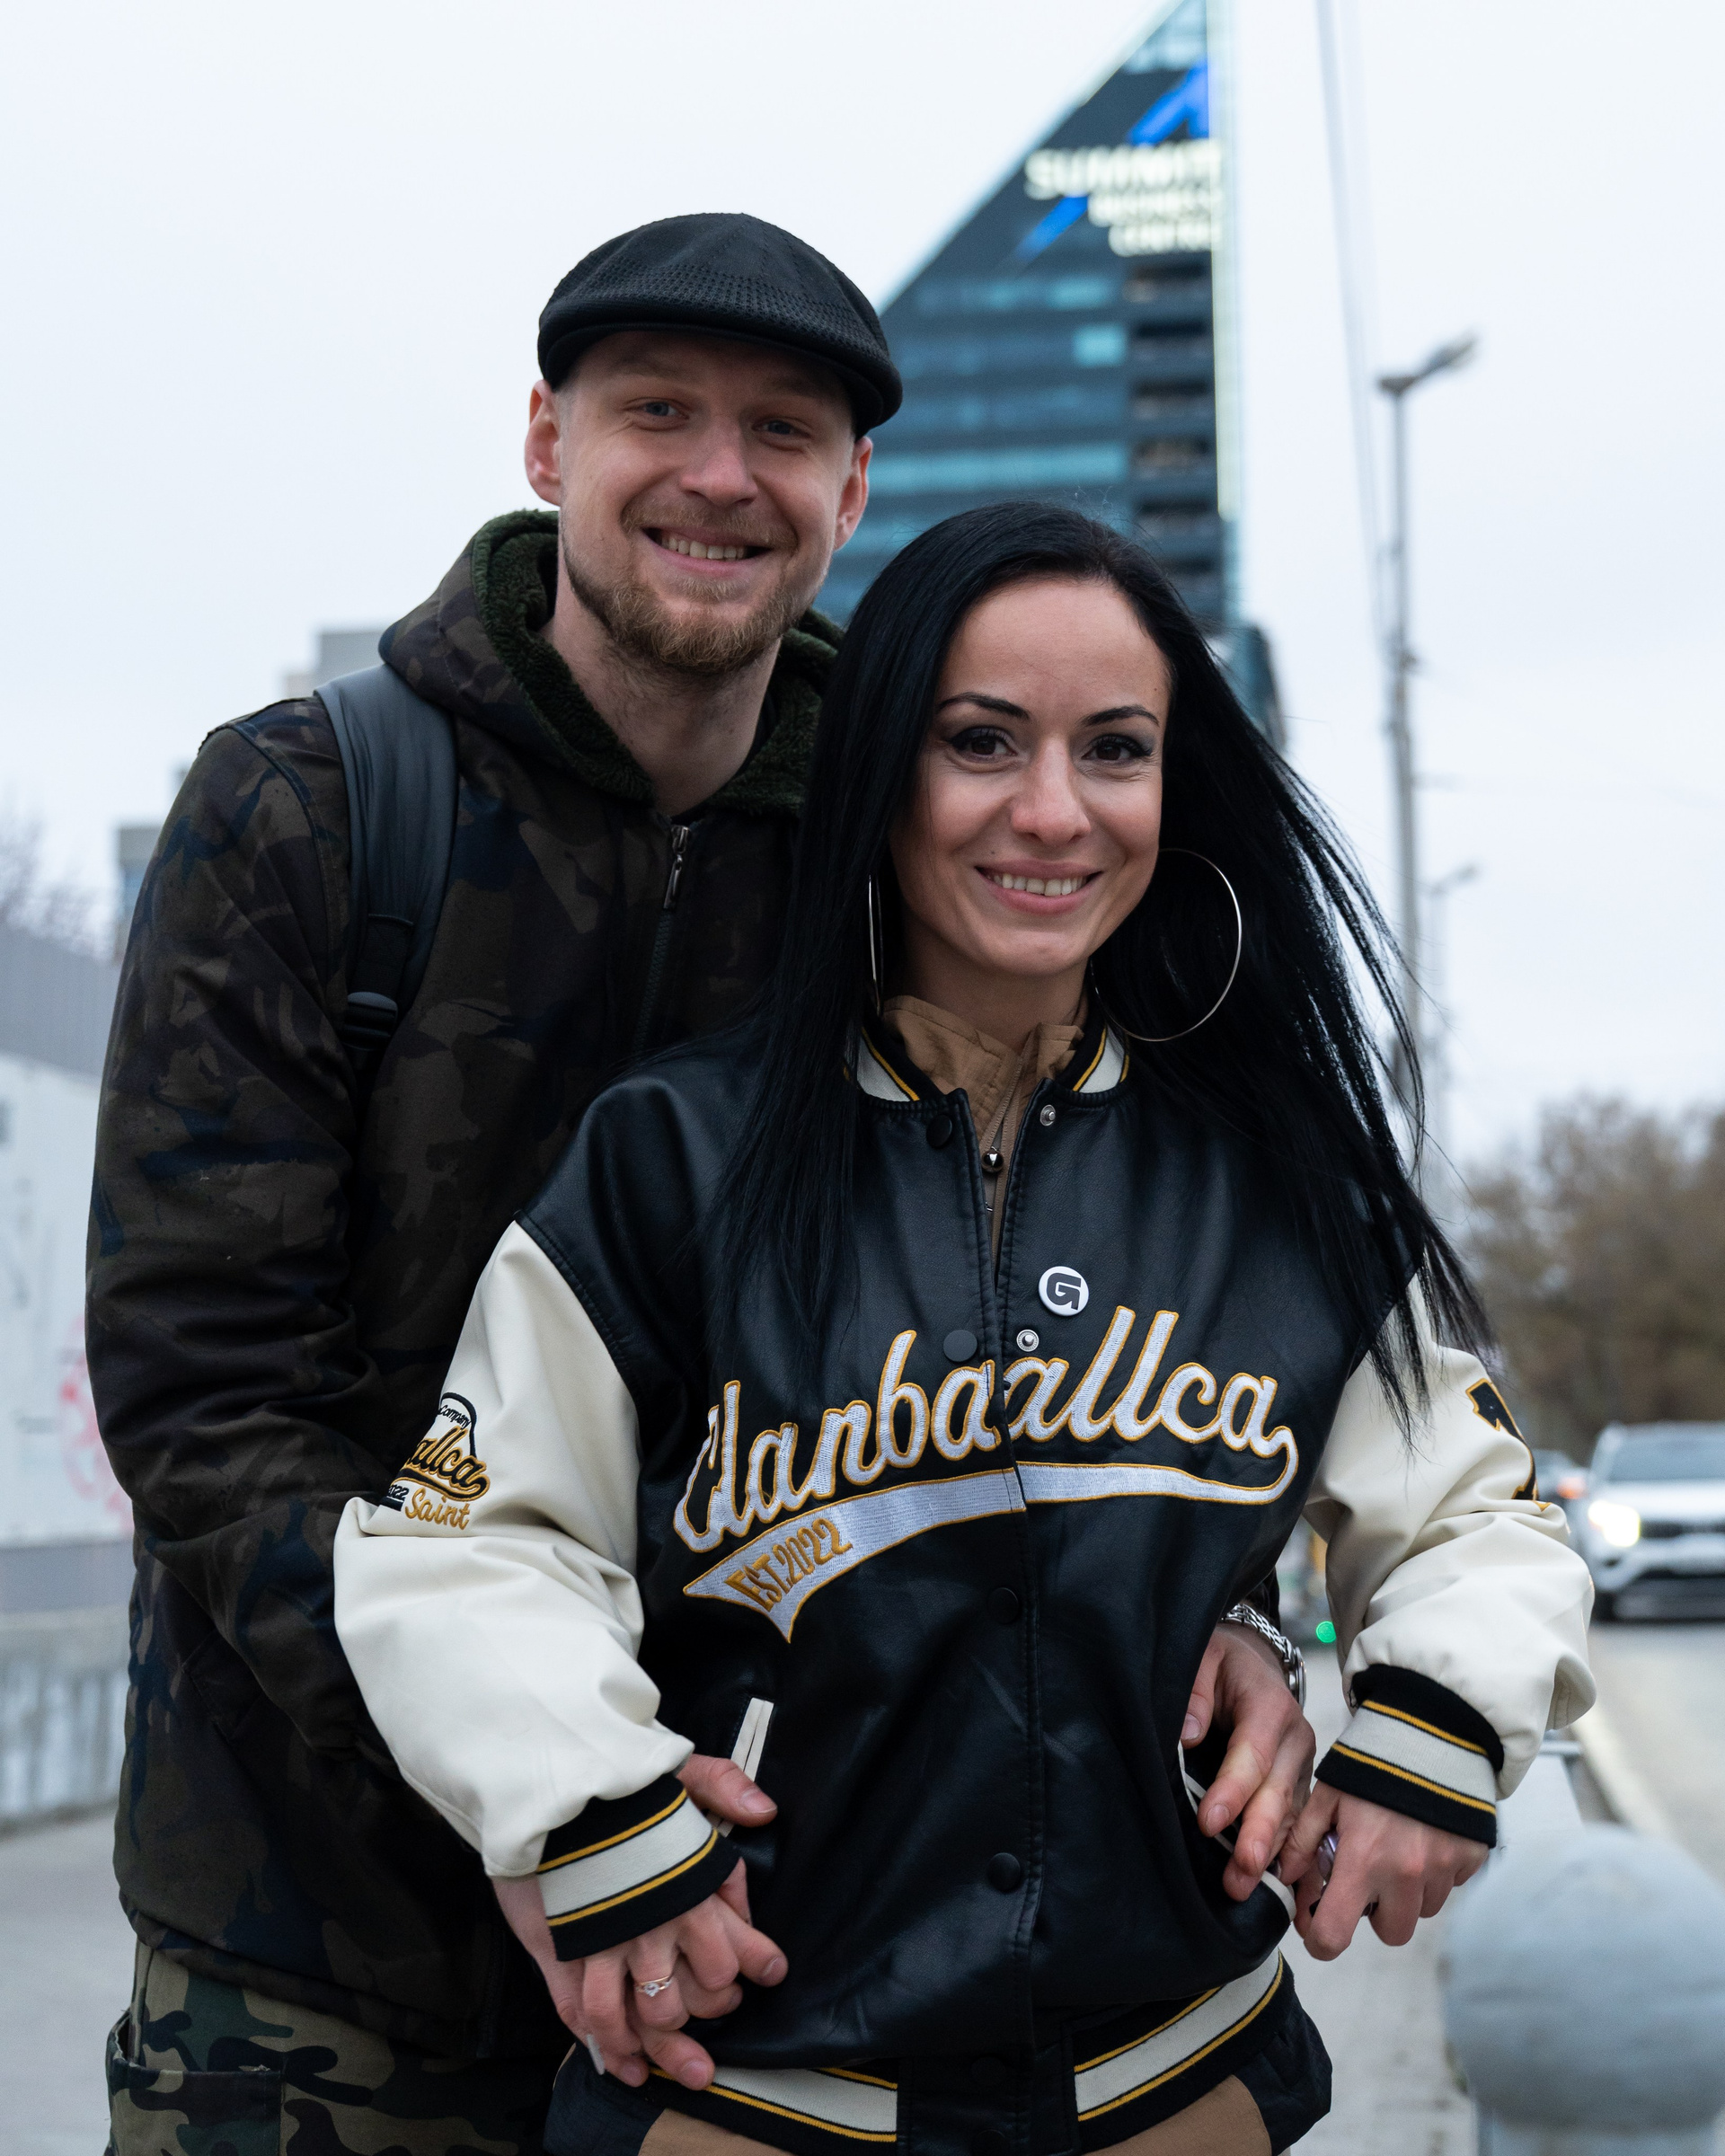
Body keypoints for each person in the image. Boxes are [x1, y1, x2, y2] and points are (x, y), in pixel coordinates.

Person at [89, 222, 1308, 2156]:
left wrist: (1208, 1608)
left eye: (783, 431)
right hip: (318, 1945)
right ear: (548, 444)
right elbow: (205, 1394)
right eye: (658, 412)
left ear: (853, 490)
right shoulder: (310, 809)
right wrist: (550, 1802)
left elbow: (1082, 1262)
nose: (722, 474)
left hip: (773, 1951)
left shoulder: (907, 828)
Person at [334, 503, 1595, 2156]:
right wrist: (592, 1816)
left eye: (1116, 749)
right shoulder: (673, 1157)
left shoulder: (1279, 1175)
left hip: (1177, 2093)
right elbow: (469, 1545)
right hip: (759, 2096)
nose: (1054, 811)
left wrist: (1433, 1727)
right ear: (879, 771)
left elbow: (1476, 1516)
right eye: (981, 741)